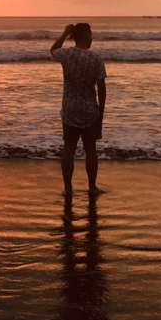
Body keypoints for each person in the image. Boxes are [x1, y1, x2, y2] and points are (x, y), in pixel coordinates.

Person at [50, 23, 107, 194]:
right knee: (90, 149)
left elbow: (53, 50)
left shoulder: (66, 54)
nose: (92, 37)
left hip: (70, 109)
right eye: (91, 34)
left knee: (69, 149)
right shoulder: (95, 58)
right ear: (86, 35)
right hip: (90, 110)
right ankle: (92, 187)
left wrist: (65, 32)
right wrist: (101, 111)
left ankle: (68, 188)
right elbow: (101, 88)